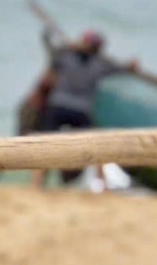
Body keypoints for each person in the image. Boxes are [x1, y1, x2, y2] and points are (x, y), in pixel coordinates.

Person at [30, 26, 136, 191]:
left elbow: (50, 50)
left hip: (59, 106)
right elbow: (122, 69)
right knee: (95, 145)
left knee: (44, 142)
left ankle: (36, 185)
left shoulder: (65, 55)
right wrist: (131, 66)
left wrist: (58, 41)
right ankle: (103, 185)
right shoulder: (99, 63)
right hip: (80, 110)